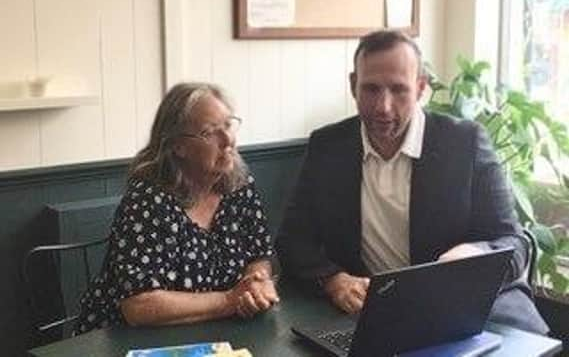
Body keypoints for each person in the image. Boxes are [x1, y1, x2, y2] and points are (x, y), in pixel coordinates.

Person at [276, 30, 549, 334]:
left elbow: (513, 243)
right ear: (353, 86)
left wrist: (474, 255)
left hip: (471, 308)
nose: (384, 106)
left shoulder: (465, 143)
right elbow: (292, 239)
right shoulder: (329, 146)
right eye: (371, 89)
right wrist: (333, 279)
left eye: (399, 90)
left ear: (420, 88)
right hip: (375, 315)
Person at [74, 83, 279, 335]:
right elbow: (139, 305)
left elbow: (258, 254)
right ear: (177, 146)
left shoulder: (239, 184)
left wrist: (256, 283)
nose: (228, 140)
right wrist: (230, 300)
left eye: (228, 125)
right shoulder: (149, 199)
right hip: (125, 340)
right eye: (209, 132)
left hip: (214, 333)